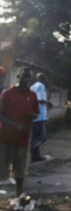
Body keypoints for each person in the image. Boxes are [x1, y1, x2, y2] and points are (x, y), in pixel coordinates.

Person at [0, 67, 40, 197]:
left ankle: (19, 195)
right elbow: (1, 115)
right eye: (24, 77)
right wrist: (15, 125)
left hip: (23, 138)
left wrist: (32, 115)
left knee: (20, 168)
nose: (26, 80)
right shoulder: (7, 93)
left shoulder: (32, 96)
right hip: (5, 137)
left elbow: (36, 113)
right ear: (18, 77)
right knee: (2, 167)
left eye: (29, 77)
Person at [30, 72, 52, 162]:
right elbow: (40, 99)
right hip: (41, 116)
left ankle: (35, 156)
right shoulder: (41, 86)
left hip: (34, 115)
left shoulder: (32, 87)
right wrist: (48, 103)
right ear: (43, 79)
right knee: (43, 137)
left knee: (36, 136)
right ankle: (31, 148)